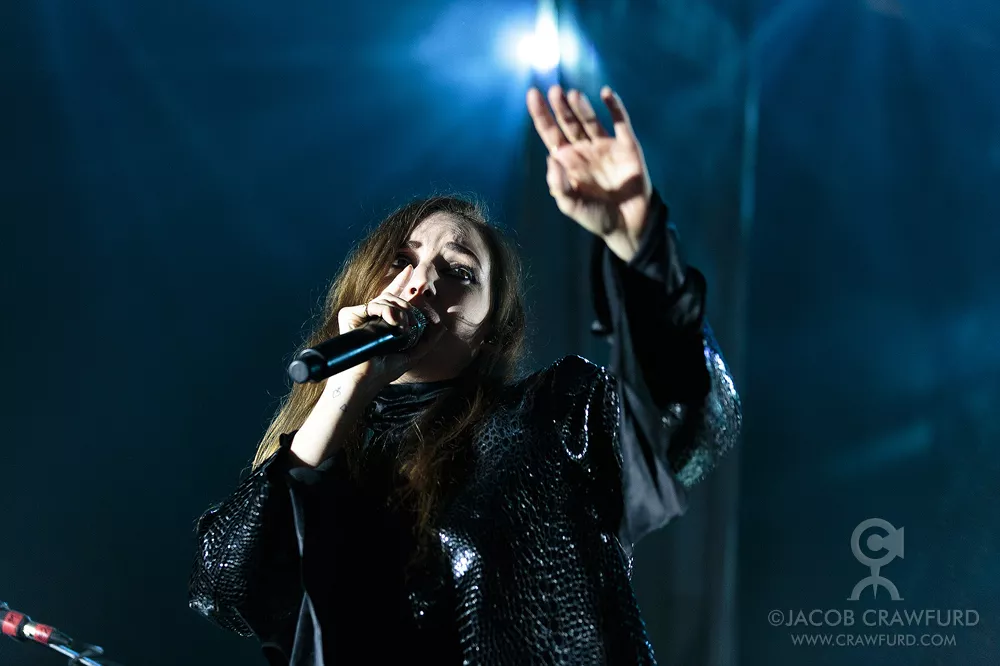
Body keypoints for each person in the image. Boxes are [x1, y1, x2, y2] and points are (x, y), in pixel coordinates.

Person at [188, 85, 742, 665]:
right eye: (403, 260)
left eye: (457, 270)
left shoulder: (553, 417)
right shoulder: (324, 458)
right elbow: (226, 588)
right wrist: (342, 396)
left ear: (490, 333)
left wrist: (643, 250)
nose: (421, 281)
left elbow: (686, 423)